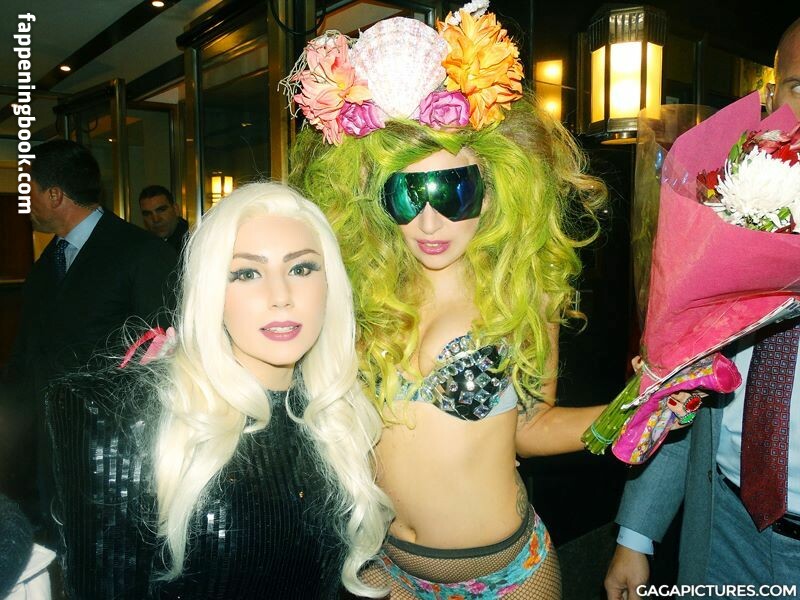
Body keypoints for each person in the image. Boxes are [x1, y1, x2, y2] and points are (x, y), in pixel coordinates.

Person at [289, 8, 607, 598]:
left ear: (495, 189)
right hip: (386, 565)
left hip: (507, 575)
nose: (430, 222)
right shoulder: (358, 294)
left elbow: (530, 427)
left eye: (454, 191)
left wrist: (630, 412)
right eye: (407, 194)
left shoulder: (522, 293)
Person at [46, 182, 393, 599]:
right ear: (211, 289)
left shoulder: (343, 413)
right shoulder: (122, 416)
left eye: (301, 269)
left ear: (330, 284)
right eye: (246, 273)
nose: (281, 297)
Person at [604, 17, 800, 600]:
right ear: (772, 95)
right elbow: (687, 379)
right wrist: (635, 536)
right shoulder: (734, 204)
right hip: (724, 524)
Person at [6, 139, 177, 535]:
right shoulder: (48, 262)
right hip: (47, 452)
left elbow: (162, 361)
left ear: (54, 195)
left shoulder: (142, 253)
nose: (24, 203)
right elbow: (29, 351)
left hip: (112, 457)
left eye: (28, 192)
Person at [139, 184, 190, 255]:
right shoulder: (144, 245)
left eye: (161, 210)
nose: (156, 219)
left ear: (176, 209)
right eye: (148, 214)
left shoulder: (191, 240)